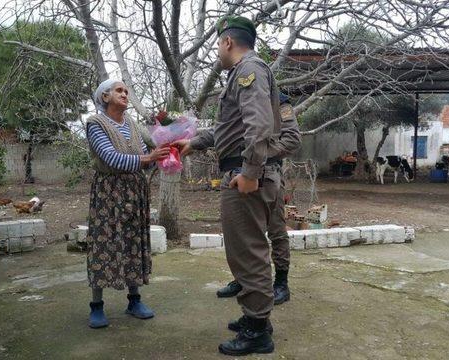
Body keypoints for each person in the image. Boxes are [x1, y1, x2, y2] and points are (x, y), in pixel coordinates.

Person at [174, 15, 281, 356]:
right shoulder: (241, 74)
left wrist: (250, 172)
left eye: (217, 45)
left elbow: (259, 124)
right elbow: (230, 128)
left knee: (249, 253)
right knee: (244, 251)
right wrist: (196, 142)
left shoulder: (249, 70)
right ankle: (257, 318)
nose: (216, 51)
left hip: (244, 174)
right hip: (240, 169)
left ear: (227, 42)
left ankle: (257, 330)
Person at [85, 79, 170, 329]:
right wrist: (148, 157)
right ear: (105, 97)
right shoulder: (95, 124)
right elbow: (111, 158)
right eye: (119, 90)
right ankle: (96, 306)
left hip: (134, 192)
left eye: (126, 90)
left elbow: (145, 156)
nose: (125, 94)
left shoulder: (131, 124)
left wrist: (164, 156)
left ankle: (134, 301)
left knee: (133, 242)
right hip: (109, 192)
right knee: (103, 244)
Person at [216, 93, 301, 306]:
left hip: (267, 174)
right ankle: (243, 280)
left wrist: (262, 154)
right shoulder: (241, 100)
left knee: (276, 230)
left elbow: (291, 138)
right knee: (242, 235)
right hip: (237, 175)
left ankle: (281, 283)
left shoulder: (279, 101)